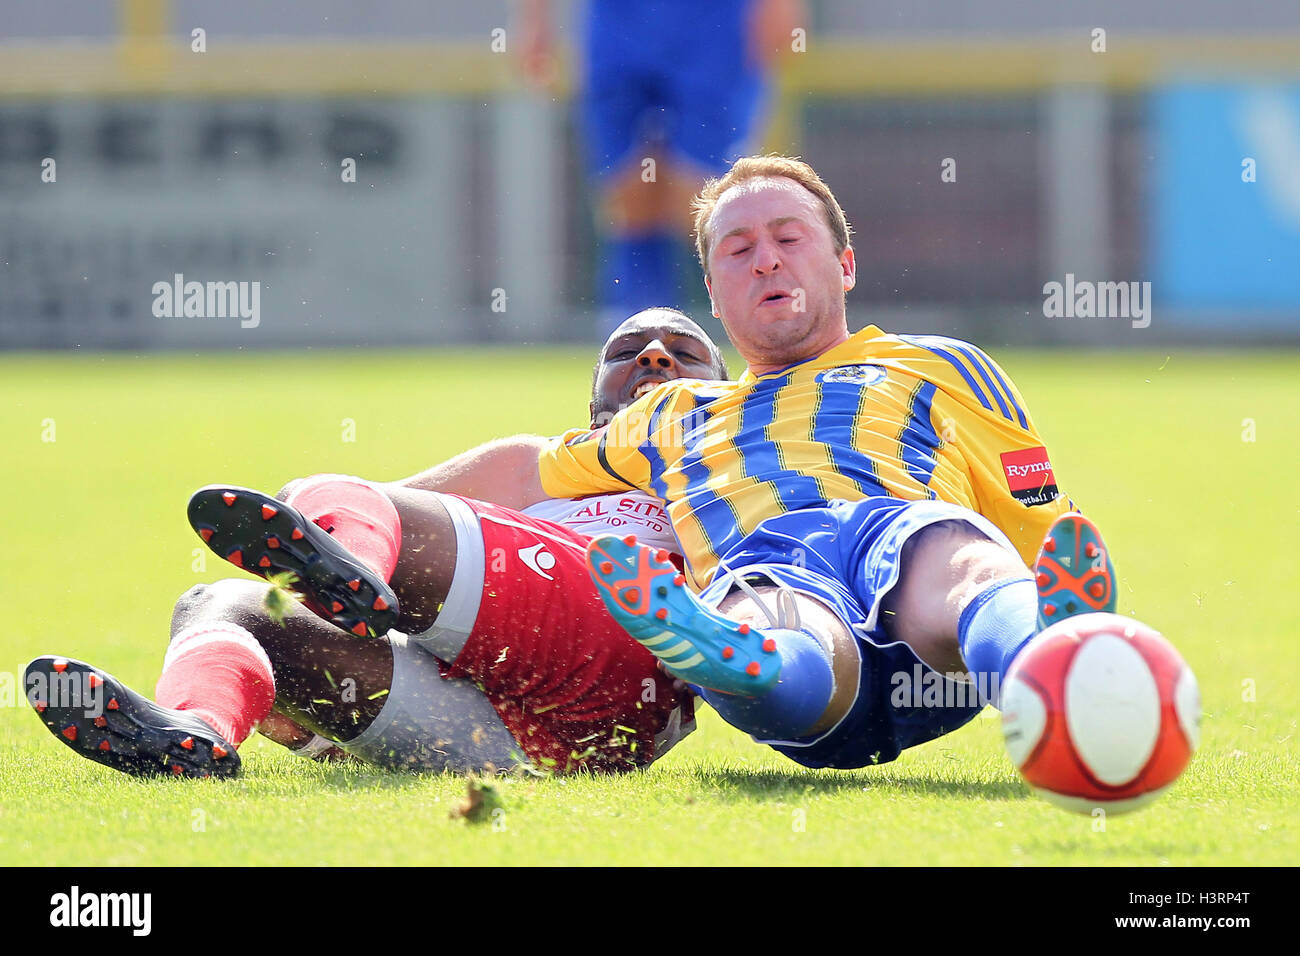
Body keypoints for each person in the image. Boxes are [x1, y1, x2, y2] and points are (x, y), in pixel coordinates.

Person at [340, 155, 1125, 770]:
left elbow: (1040, 520)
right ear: (714, 293)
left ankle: (1046, 661)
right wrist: (353, 510)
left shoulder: (941, 365)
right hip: (782, 587)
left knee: (960, 563)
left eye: (789, 238)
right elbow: (524, 470)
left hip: (911, 566)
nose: (766, 262)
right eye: (739, 251)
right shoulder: (668, 415)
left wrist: (1065, 586)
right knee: (772, 614)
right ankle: (730, 655)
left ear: (845, 266)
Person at [26, 310, 728, 778]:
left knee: (334, 498)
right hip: (492, 737)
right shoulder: (535, 460)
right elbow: (365, 506)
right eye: (626, 353)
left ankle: (356, 584)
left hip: (619, 674)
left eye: (685, 353)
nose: (655, 356)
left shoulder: (738, 471)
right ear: (593, 398)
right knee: (225, 602)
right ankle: (201, 731)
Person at [519, 0, 804, 334]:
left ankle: (753, 331)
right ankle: (637, 335)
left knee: (705, 196)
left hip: (716, 21)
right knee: (628, 194)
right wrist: (534, 20)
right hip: (618, 17)